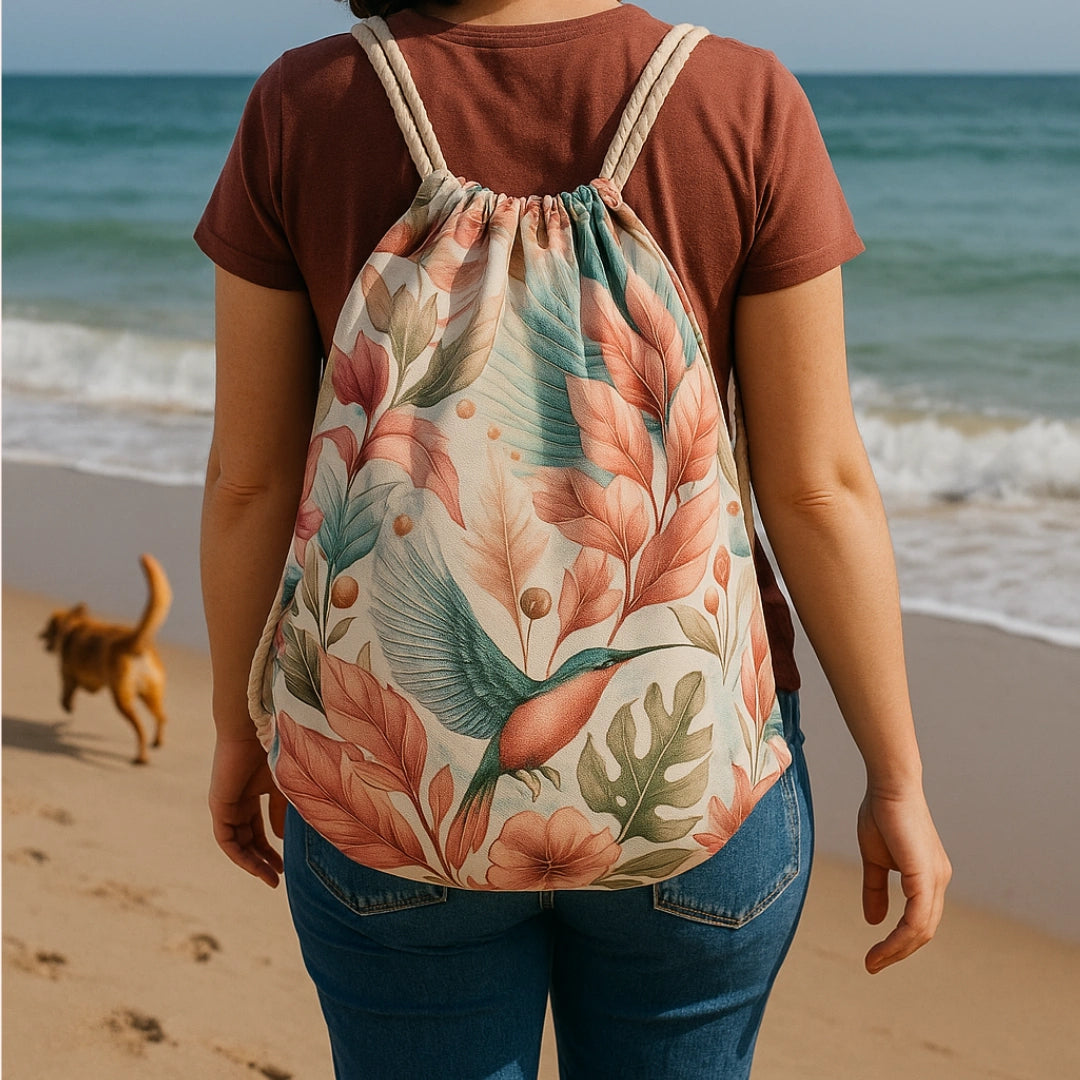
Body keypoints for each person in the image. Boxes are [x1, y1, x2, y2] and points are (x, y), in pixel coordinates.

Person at [196, 1, 952, 1076]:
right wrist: (898, 779)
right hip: (699, 786)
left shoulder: (307, 103)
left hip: (391, 807)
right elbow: (818, 488)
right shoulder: (739, 97)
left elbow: (251, 480)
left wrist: (240, 724)